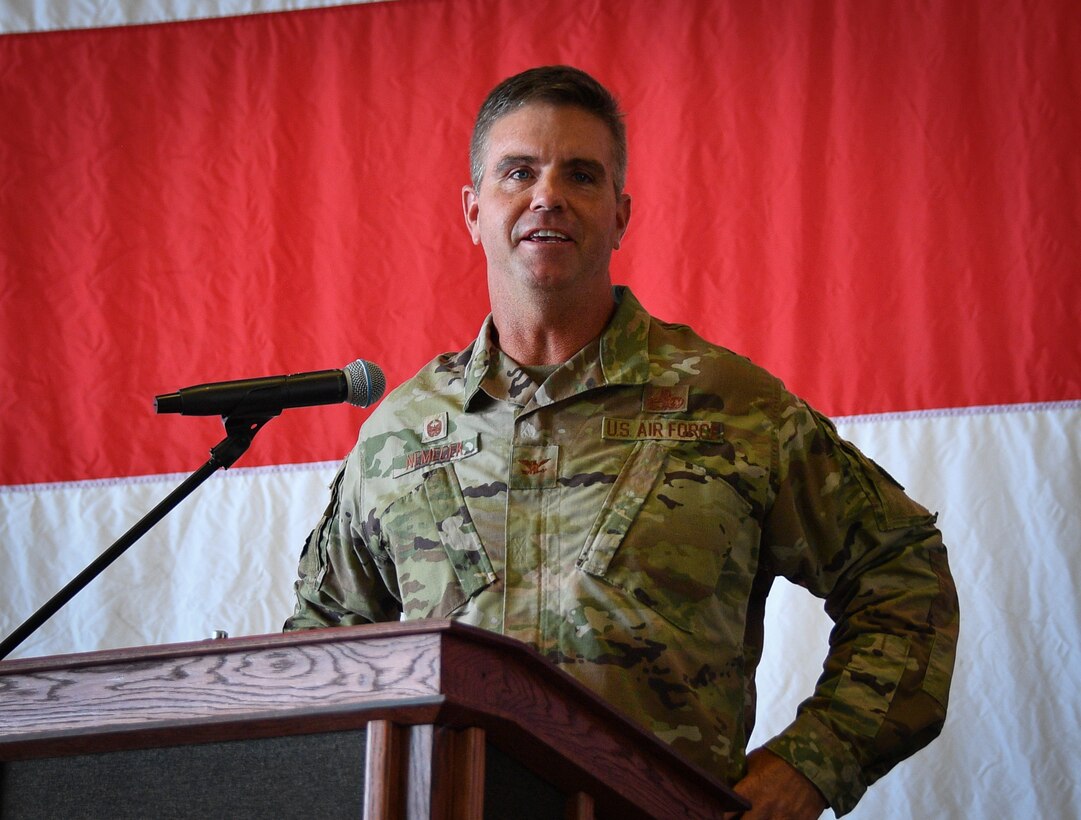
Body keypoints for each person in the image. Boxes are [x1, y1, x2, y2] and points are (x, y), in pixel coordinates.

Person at [285, 65, 959, 818]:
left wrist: (810, 763)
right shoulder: (397, 436)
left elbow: (901, 573)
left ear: (619, 214)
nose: (548, 196)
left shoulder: (730, 405)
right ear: (473, 212)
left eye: (580, 174)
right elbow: (325, 655)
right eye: (518, 173)